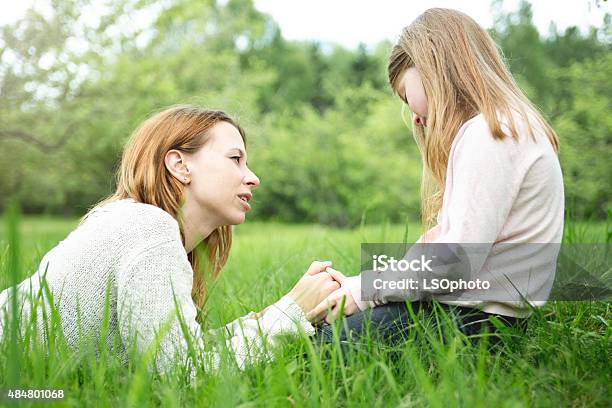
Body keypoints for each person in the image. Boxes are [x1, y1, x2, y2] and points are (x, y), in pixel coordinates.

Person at [0, 105, 340, 376]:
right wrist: (291, 312)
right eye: (235, 159)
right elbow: (183, 372)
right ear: (180, 165)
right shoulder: (148, 228)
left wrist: (280, 312)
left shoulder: (141, 224)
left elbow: (181, 352)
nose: (253, 178)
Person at [311, 8, 564, 345]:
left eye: (406, 95)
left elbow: (453, 264)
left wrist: (364, 290)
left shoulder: (490, 133)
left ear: (433, 66)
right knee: (330, 330)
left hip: (472, 320)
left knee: (320, 345)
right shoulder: (504, 127)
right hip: (485, 316)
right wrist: (363, 286)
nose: (414, 115)